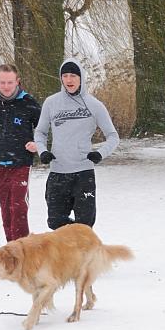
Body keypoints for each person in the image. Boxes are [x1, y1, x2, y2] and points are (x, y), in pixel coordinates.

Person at [35, 58, 120, 230]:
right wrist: (43, 151)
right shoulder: (51, 103)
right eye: (65, 75)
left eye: (73, 75)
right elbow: (40, 132)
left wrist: (100, 153)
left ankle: (83, 252)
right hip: (58, 173)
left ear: (81, 77)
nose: (69, 80)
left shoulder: (94, 105)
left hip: (83, 174)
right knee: (56, 223)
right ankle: (68, 250)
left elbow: (113, 136)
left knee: (85, 226)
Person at [0, 64, 41, 242]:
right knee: (6, 209)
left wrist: (37, 143)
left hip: (21, 164)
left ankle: (22, 251)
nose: (6, 86)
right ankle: (12, 248)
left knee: (18, 208)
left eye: (10, 82)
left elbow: (44, 126)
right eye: (2, 82)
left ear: (17, 81)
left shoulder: (28, 102)